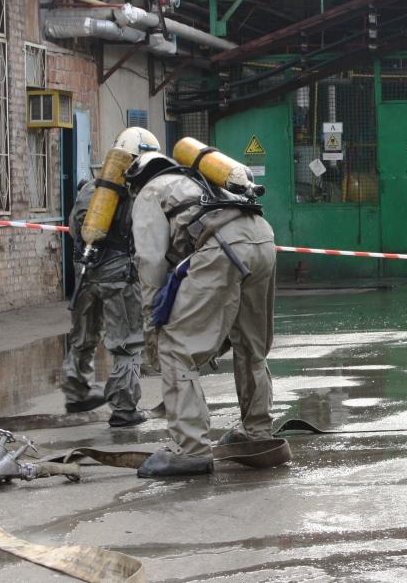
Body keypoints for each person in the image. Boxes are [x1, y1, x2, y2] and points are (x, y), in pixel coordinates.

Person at [125, 150, 277, 477]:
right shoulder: (200, 179)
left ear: (135, 181)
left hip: (225, 246)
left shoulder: (149, 194)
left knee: (175, 346)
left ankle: (190, 450)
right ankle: (258, 433)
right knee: (251, 344)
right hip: (263, 237)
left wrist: (153, 325)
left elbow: (150, 265)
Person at [60, 127, 160, 427]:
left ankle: (77, 392)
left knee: (83, 336)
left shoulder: (92, 188)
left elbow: (75, 228)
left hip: (86, 272)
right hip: (120, 275)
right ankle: (124, 407)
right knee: (127, 340)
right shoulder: (137, 194)